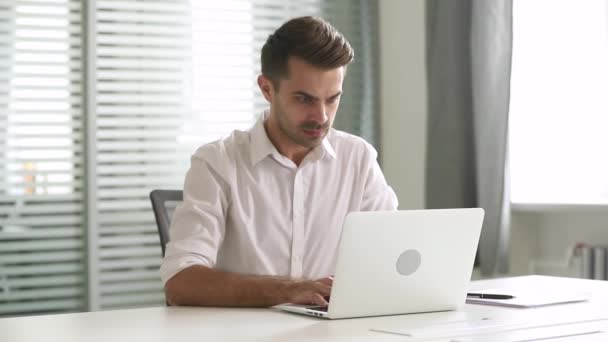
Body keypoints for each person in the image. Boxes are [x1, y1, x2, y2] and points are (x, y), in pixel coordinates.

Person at [160, 16, 398, 308]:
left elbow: (392, 258)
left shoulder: (358, 159)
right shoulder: (217, 163)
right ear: (267, 89)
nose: (321, 116)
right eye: (304, 99)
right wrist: (289, 290)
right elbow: (181, 283)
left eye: (332, 99)